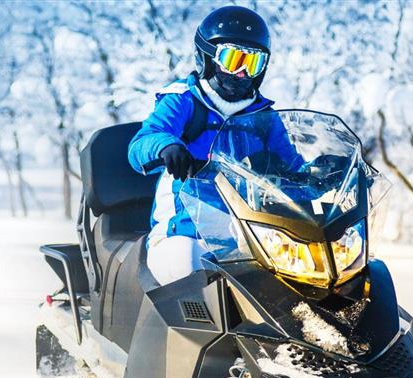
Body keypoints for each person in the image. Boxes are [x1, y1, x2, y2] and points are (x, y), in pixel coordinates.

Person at [128, 6, 301, 285]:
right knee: (189, 263)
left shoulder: (265, 117)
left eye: (253, 63)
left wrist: (325, 173)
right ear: (207, 57)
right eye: (233, 59)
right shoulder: (184, 101)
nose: (243, 73)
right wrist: (166, 146)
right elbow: (142, 143)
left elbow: (292, 167)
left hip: (251, 235)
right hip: (184, 232)